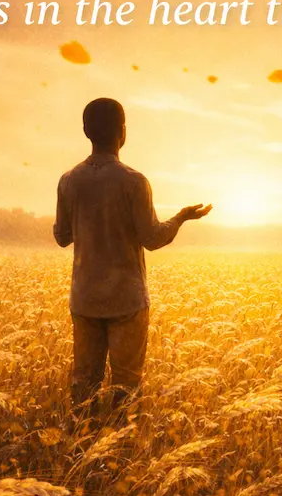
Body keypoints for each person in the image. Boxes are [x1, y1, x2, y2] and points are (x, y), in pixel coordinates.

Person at [54, 98, 211, 423]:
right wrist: (180, 218)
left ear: (85, 131)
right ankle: (118, 457)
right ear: (123, 132)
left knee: (84, 386)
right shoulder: (133, 181)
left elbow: (62, 237)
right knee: (126, 388)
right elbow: (152, 239)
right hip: (126, 301)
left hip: (84, 300)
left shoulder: (68, 181)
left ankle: (81, 456)